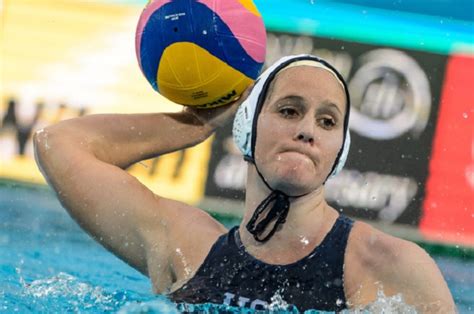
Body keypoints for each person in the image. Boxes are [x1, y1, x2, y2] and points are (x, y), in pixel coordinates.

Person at [34, 54, 455, 312]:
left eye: (327, 121)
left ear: (338, 152)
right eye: (289, 111)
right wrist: (192, 126)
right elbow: (58, 144)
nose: (308, 130)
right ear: (247, 129)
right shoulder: (187, 247)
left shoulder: (388, 267)